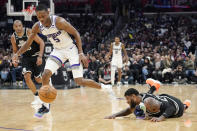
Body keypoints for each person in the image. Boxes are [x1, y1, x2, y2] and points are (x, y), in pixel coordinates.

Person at [12, 4, 111, 118]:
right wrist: (17, 54)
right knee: (45, 75)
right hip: (58, 51)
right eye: (39, 17)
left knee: (79, 80)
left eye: (43, 16)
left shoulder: (59, 21)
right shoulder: (37, 26)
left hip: (70, 49)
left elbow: (76, 34)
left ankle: (103, 87)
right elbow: (28, 43)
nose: (41, 19)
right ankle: (45, 106)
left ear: (48, 13)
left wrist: (80, 53)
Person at [105, 78, 191, 122]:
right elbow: (129, 110)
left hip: (175, 106)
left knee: (182, 109)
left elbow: (171, 108)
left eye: (128, 99)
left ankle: (184, 105)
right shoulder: (139, 98)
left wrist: (161, 117)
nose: (127, 101)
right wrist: (114, 115)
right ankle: (154, 86)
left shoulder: (148, 102)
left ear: (133, 96)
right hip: (164, 98)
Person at [11, 20, 45, 104]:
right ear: (13, 27)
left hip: (36, 56)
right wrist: (15, 60)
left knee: (38, 79)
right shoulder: (13, 37)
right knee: (27, 77)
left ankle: (48, 79)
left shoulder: (29, 31)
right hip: (26, 58)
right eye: (16, 26)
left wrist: (40, 56)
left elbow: (41, 42)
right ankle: (36, 97)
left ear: (22, 26)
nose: (18, 28)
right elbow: (15, 51)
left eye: (19, 26)